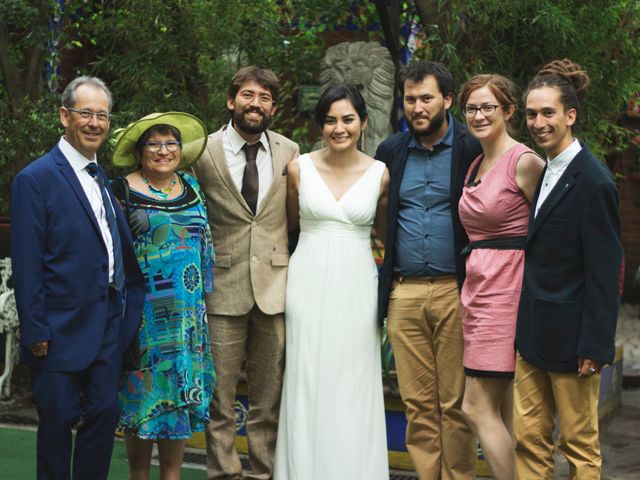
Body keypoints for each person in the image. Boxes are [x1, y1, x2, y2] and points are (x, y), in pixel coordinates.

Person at [10, 76, 145, 480]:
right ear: (65, 116)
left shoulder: (101, 178)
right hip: (57, 328)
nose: (95, 123)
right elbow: (28, 261)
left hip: (107, 324)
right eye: (86, 113)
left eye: (102, 115)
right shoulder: (35, 179)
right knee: (57, 424)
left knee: (104, 415)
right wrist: (35, 331)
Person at [274, 84, 390, 479]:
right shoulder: (298, 168)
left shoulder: (380, 174)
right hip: (306, 283)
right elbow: (290, 226)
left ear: (363, 122)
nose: (339, 128)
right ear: (320, 125)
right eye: (330, 120)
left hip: (358, 287)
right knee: (307, 380)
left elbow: (385, 235)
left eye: (347, 119)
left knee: (353, 384)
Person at [514, 59, 623, 479]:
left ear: (570, 115)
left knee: (579, 447)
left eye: (548, 113)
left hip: (574, 343)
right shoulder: (543, 170)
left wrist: (596, 345)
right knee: (529, 441)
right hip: (533, 335)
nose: (538, 122)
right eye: (531, 113)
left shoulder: (594, 182)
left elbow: (604, 270)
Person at [375, 61, 482, 480]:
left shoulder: (473, 149)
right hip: (404, 292)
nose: (417, 107)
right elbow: (381, 213)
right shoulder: (391, 151)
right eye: (410, 99)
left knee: (455, 402)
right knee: (417, 403)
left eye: (426, 98)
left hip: (456, 289)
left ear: (448, 100)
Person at [192, 66, 299, 480]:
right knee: (220, 397)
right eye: (249, 95)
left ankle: (263, 473)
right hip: (222, 286)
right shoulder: (202, 151)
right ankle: (223, 473)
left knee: (267, 398)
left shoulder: (291, 152)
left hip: (275, 287)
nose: (256, 104)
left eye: (265, 98)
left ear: (273, 106)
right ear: (231, 99)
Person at [110, 112, 216, 480]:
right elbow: (109, 250)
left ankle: (172, 476)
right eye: (153, 143)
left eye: (170, 142)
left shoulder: (192, 185)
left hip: (187, 320)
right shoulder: (120, 190)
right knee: (144, 401)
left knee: (179, 403)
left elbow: (204, 243)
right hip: (145, 319)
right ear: (140, 152)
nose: (163, 150)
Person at [456, 74, 544, 480]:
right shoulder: (477, 161)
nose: (479, 115)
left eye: (488, 107)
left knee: (474, 407)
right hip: (477, 288)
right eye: (471, 108)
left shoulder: (524, 162)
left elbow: (549, 229)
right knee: (504, 410)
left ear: (508, 111)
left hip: (506, 291)